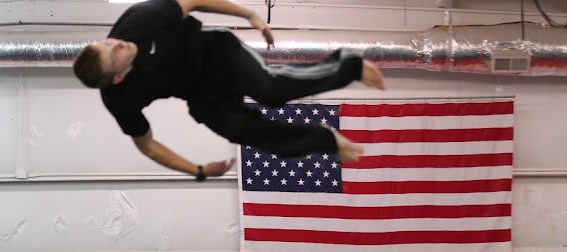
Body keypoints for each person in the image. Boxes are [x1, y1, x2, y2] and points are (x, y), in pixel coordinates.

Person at [72, 0, 386, 180]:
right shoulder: (119, 100)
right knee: (240, 131)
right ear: (117, 78)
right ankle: (326, 140)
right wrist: (196, 170)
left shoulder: (136, 23)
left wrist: (249, 15)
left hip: (216, 50)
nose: (118, 43)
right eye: (114, 53)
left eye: (107, 42)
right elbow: (147, 145)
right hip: (198, 92)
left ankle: (349, 64)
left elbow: (192, 0)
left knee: (270, 90)